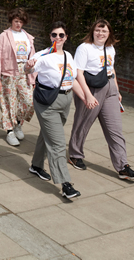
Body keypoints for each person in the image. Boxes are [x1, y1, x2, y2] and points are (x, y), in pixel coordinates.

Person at [68, 20, 134, 180]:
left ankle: (123, 166)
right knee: (83, 123)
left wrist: (117, 90)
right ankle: (75, 154)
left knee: (115, 129)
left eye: (104, 31)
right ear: (92, 31)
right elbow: (78, 73)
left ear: (109, 34)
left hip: (109, 89)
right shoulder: (84, 48)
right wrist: (87, 95)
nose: (100, 34)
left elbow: (111, 69)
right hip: (90, 88)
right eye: (98, 30)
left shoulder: (110, 48)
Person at [24, 22, 84, 199]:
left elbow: (72, 80)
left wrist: (86, 97)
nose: (57, 38)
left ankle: (36, 166)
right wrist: (28, 65)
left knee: (47, 134)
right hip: (47, 102)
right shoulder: (43, 55)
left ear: (66, 37)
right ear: (50, 37)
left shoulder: (68, 55)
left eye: (61, 35)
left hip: (65, 100)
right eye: (54, 35)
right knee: (57, 144)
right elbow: (27, 69)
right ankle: (65, 184)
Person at [0, 8, 36, 146]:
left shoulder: (28, 37)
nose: (18, 24)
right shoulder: (4, 36)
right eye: (16, 21)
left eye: (21, 22)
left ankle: (17, 122)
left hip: (24, 74)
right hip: (8, 74)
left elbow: (33, 58)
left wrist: (33, 78)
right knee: (8, 103)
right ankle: (9, 130)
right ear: (11, 20)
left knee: (29, 102)